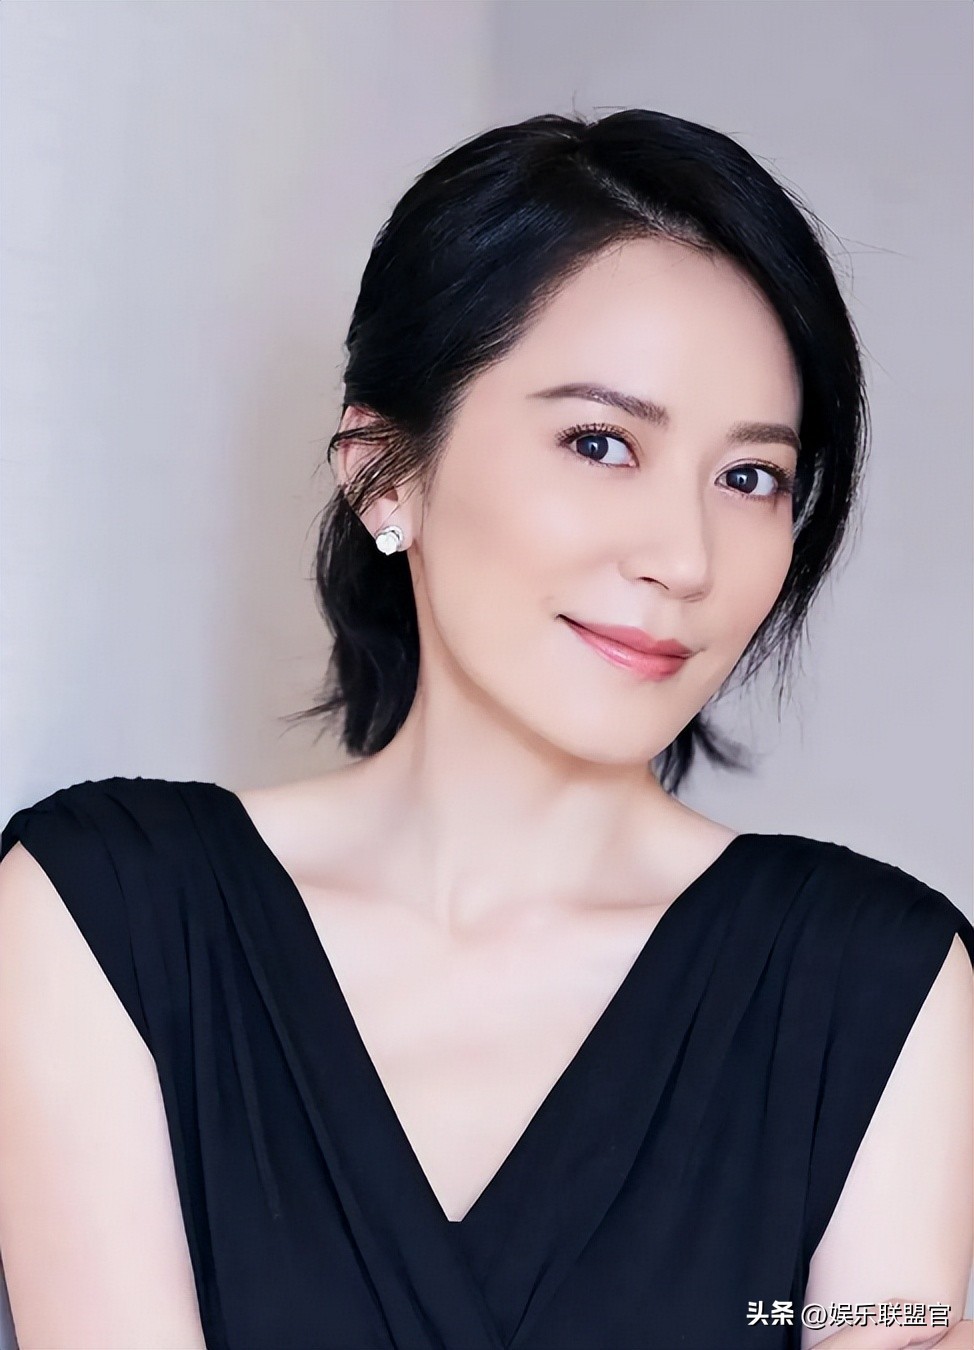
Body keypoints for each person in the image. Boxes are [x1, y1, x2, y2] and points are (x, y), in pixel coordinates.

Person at [0, 109, 970, 1350]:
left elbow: (896, 1322)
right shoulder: (109, 918)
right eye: (600, 443)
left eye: (749, 477)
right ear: (382, 472)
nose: (683, 558)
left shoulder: (875, 984)